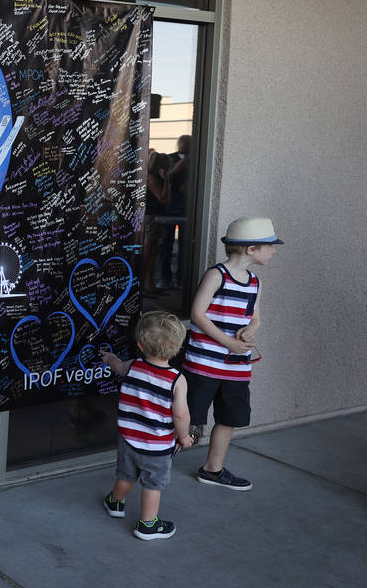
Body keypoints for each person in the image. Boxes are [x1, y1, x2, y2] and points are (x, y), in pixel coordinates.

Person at [180, 216, 281, 491]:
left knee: (229, 418)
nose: (273, 251)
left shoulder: (255, 282)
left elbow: (255, 318)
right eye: (270, 246)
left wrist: (250, 331)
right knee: (187, 414)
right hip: (204, 364)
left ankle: (213, 469)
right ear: (251, 249)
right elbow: (197, 315)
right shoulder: (217, 275)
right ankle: (156, 462)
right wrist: (229, 341)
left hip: (236, 367)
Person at [99, 311, 192, 540]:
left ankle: (115, 503)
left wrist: (109, 358)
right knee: (153, 484)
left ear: (140, 344)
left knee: (125, 475)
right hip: (157, 447)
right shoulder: (176, 380)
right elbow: (180, 415)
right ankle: (148, 525)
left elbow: (118, 367)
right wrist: (184, 437)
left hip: (128, 439)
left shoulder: (133, 366)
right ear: (178, 346)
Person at [157, 134, 191, 289]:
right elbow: (163, 179)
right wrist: (175, 172)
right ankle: (165, 278)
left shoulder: (197, 158)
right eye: (182, 142)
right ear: (178, 144)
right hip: (170, 207)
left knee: (185, 246)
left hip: (188, 208)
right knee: (166, 244)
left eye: (188, 143)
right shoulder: (170, 159)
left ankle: (181, 279)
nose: (184, 145)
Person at [142, 151, 172, 295]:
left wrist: (166, 181)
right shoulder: (152, 178)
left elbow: (167, 199)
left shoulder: (157, 178)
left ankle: (150, 284)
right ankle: (144, 286)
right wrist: (166, 181)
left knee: (154, 252)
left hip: (157, 217)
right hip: (151, 217)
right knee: (148, 253)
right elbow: (163, 199)